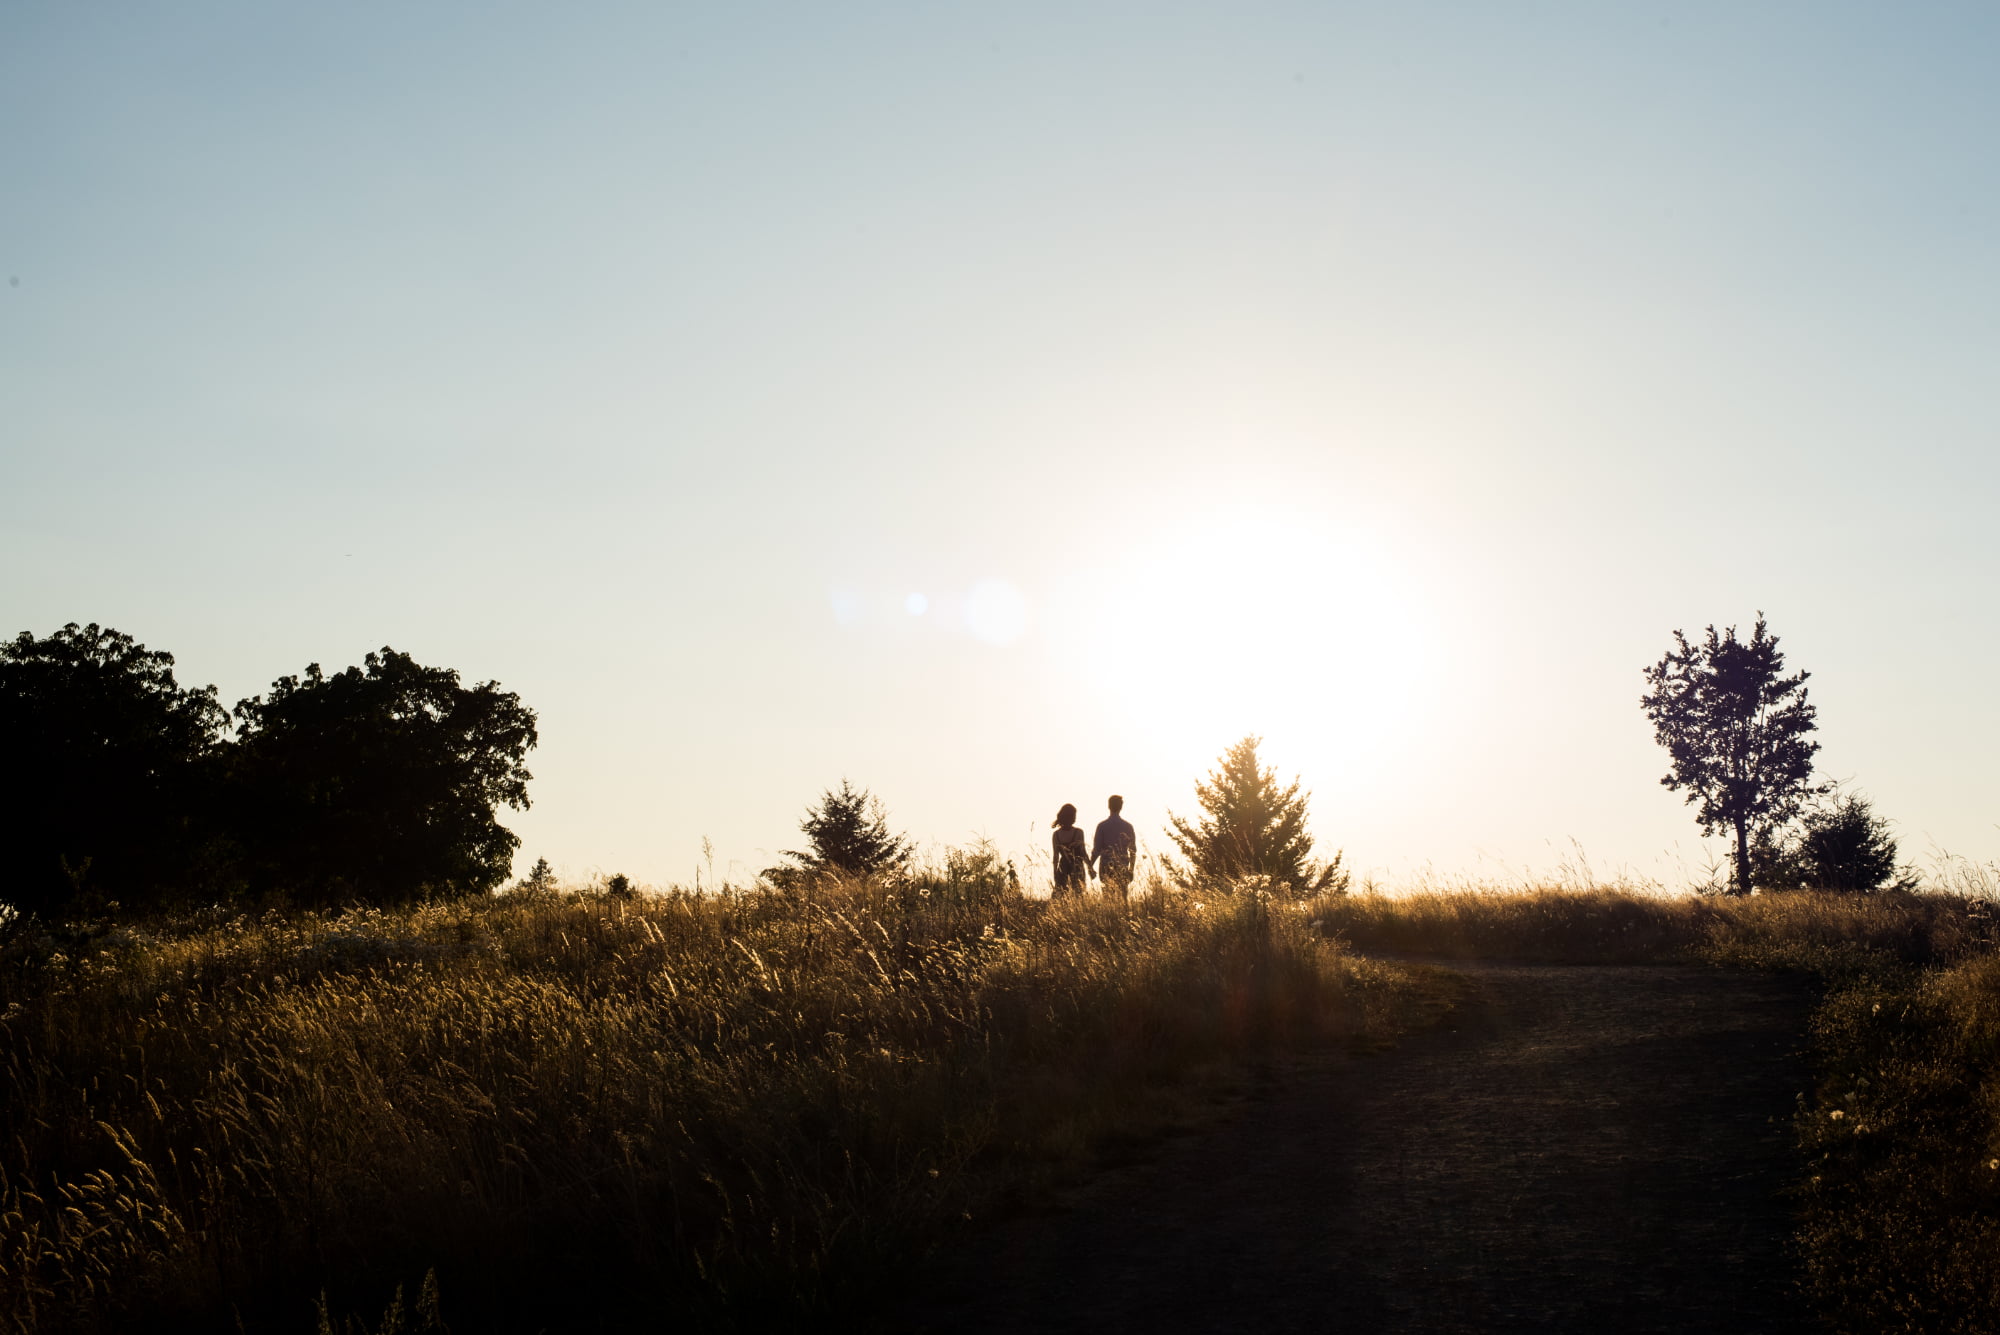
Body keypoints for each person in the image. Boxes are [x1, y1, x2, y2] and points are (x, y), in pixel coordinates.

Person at [1091, 795, 1137, 901]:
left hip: (1106, 865)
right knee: (1123, 896)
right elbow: (1132, 850)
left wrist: (1090, 866)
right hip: (1123, 865)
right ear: (1121, 807)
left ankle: (1110, 916)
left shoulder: (1102, 826)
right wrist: (1131, 869)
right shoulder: (1128, 826)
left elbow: (1097, 849)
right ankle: (1124, 916)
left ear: (1108, 806)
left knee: (1108, 897)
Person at [1051, 803, 1088, 900]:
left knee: (1061, 894)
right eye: (1074, 815)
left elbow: (1056, 856)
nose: (1075, 818)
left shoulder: (1056, 835)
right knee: (1078, 895)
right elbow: (1083, 852)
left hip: (1063, 867)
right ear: (1069, 817)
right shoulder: (1079, 832)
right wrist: (1090, 867)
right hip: (1077, 866)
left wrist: (1055, 871)